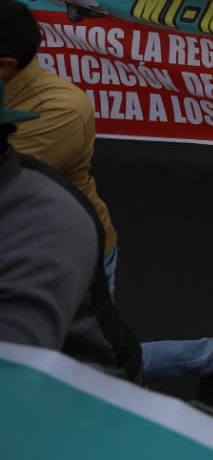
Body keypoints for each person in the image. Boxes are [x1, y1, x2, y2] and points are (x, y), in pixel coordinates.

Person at [1, 1, 213, 407]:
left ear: (5, 67)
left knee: (91, 366)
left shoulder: (61, 110)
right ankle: (211, 356)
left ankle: (203, 367)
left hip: (69, 256)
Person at [0, 86, 142, 382]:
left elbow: (14, 373)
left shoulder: (46, 222)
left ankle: (208, 355)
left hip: (83, 385)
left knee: (111, 349)